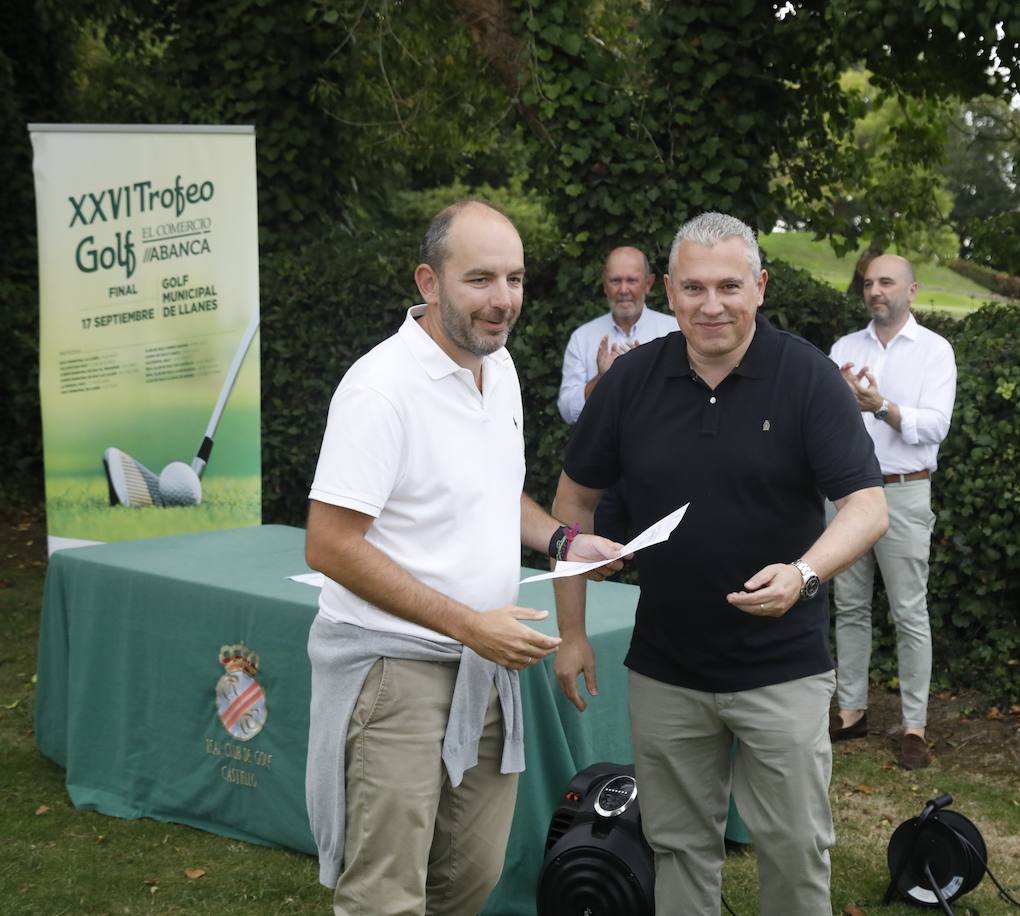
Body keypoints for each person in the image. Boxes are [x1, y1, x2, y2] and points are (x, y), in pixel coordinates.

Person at [550, 212, 889, 916]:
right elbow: (573, 504)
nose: (712, 305)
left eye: (730, 286)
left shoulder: (806, 377)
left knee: (796, 847)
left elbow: (865, 506)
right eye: (695, 288)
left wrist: (804, 574)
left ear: (760, 287)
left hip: (783, 667)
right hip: (667, 669)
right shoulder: (631, 381)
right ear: (667, 292)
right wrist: (573, 633)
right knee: (677, 848)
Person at [302, 199, 622, 915]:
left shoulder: (496, 366)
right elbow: (329, 542)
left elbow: (495, 492)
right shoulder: (381, 389)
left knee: (468, 880)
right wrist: (469, 625)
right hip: (393, 672)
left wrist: (564, 540)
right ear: (429, 281)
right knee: (385, 895)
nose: (502, 299)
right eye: (480, 279)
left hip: (482, 666)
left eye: (514, 278)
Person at [826, 253, 957, 770]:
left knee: (908, 612)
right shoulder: (843, 349)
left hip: (904, 490)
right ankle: (852, 712)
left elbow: (935, 425)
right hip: (846, 493)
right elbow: (822, 422)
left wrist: (880, 406)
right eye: (869, 282)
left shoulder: (934, 351)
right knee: (850, 604)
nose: (874, 290)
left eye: (886, 282)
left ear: (912, 290)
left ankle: (914, 727)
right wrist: (840, 399)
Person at [557, 246, 678, 543]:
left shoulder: (674, 331)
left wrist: (641, 377)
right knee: (600, 559)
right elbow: (568, 410)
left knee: (666, 556)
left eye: (632, 280)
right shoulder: (584, 338)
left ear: (648, 283)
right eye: (615, 281)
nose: (624, 290)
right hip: (602, 474)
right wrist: (604, 379)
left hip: (662, 468)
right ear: (604, 284)